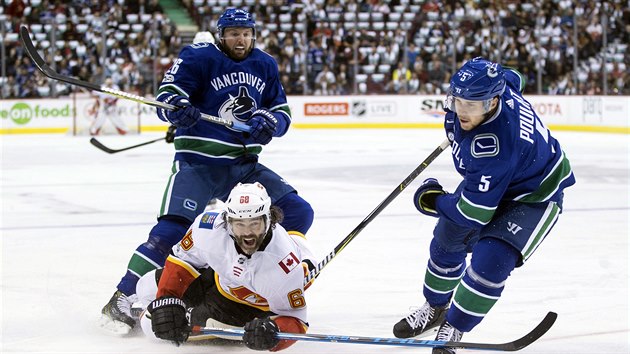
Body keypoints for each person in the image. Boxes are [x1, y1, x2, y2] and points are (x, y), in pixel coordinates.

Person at [99, 8, 314, 334]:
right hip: (198, 164)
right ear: (221, 35)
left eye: (245, 33)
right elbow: (167, 96)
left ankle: (268, 279)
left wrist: (270, 123)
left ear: (253, 34)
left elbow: (280, 111)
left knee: (297, 212)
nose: (240, 39)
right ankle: (124, 297)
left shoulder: (265, 64)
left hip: (243, 166)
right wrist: (177, 111)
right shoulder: (198, 57)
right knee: (171, 232)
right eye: (233, 33)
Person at [392, 57, 576, 354]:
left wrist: (434, 200)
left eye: (471, 105)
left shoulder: (496, 145)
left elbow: (473, 212)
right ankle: (435, 308)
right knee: (446, 240)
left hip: (534, 196)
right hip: (498, 182)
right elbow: (514, 75)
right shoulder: (499, 86)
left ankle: (454, 325)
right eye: (457, 100)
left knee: (491, 260)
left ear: (492, 102)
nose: (461, 110)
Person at [135, 182, 315, 351]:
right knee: (146, 285)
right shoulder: (207, 226)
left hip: (239, 309)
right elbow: (183, 260)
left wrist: (273, 332)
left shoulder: (283, 266)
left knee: (151, 328)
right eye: (239, 224)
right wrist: (168, 299)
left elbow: (297, 320)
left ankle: (143, 314)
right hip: (217, 278)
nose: (247, 234)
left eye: (255, 224)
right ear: (227, 220)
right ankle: (141, 308)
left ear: (268, 219)